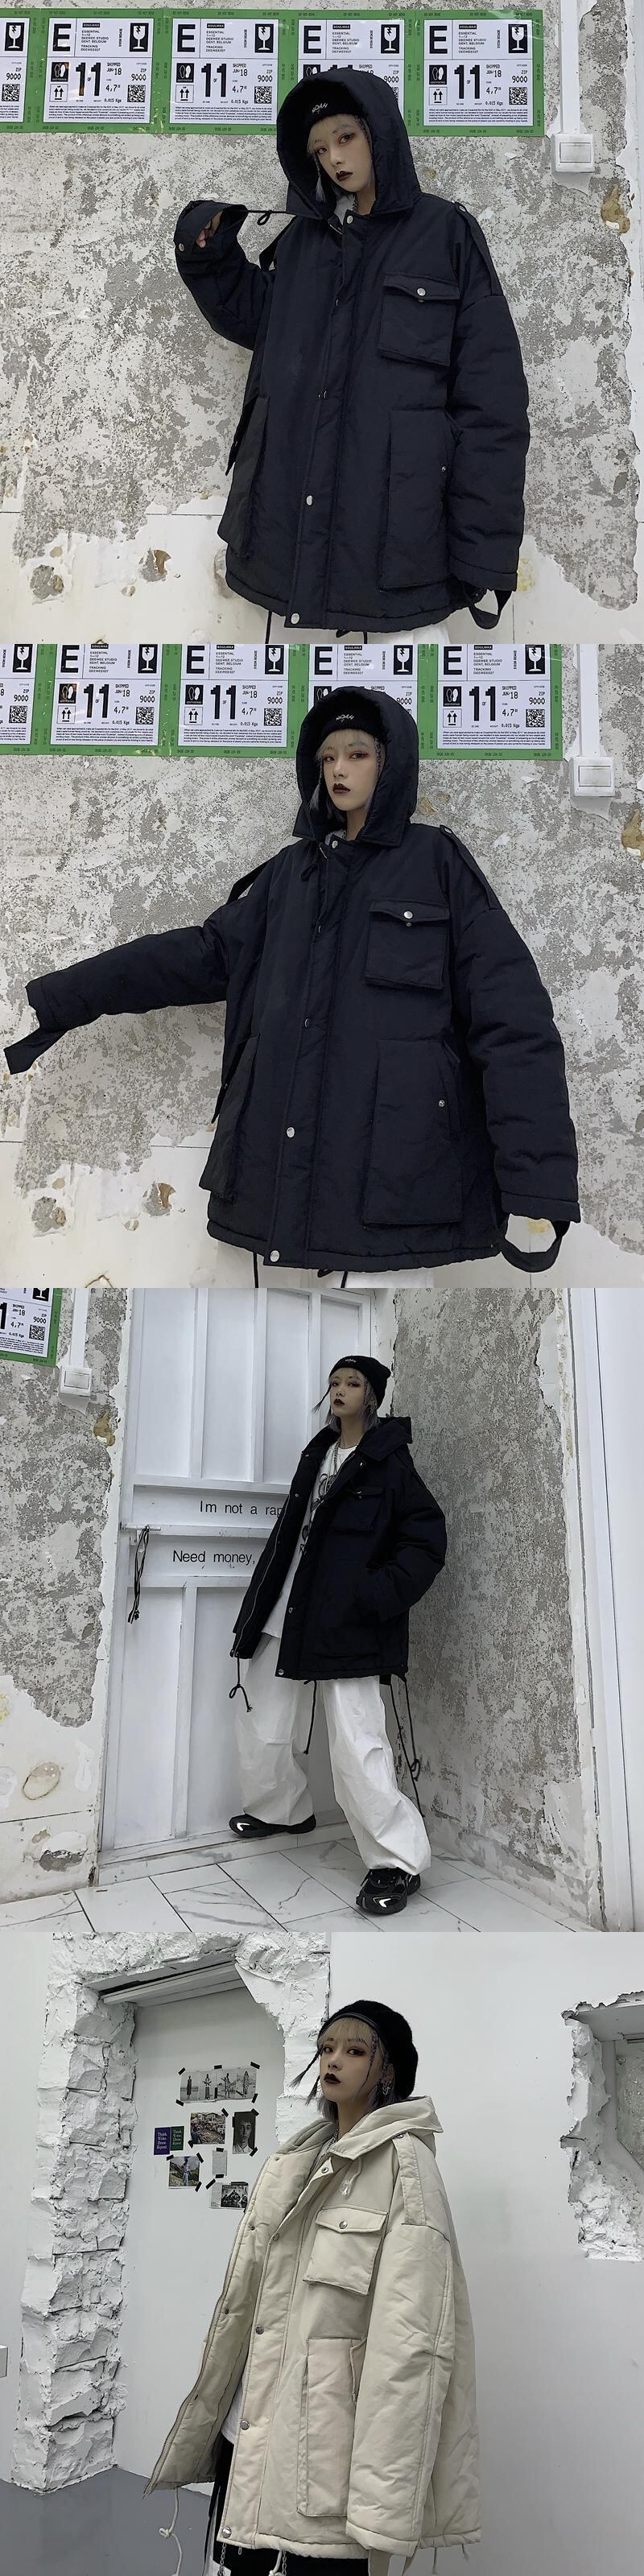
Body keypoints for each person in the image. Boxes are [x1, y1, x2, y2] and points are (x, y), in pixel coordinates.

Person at [5, 686, 580, 1279]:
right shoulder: (290, 874)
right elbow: (198, 956)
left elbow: (512, 1019)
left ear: (391, 763)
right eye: (328, 757)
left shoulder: (436, 863)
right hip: (272, 1182)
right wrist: (65, 997)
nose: (339, 770)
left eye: (357, 754)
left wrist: (537, 1183)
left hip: (402, 1185)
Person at [174, 68, 529, 634]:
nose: (335, 158)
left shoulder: (446, 234)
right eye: (319, 149)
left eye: (346, 137)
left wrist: (483, 554)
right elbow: (260, 322)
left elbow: (492, 404)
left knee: (401, 683)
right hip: (286, 544)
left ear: (378, 132)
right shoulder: (304, 239)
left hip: (398, 547)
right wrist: (208, 251)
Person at [146, 2000, 480, 2574]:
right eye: (326, 2048)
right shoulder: (295, 2161)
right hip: (247, 2429)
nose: (333, 2061)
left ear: (388, 2069)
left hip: (319, 2454)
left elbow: (412, 2347)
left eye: (355, 2050)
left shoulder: (405, 2168)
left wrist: (383, 2512)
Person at [228, 1352, 445, 1918]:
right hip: (290, 1607)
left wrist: (374, 1595)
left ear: (372, 1395)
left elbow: (425, 1541)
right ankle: (281, 1810)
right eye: (334, 1382)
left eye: (352, 1382)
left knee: (356, 1740)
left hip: (348, 1620)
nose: (340, 1390)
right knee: (264, 1718)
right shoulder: (319, 1452)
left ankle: (396, 1860)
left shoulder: (389, 1462)